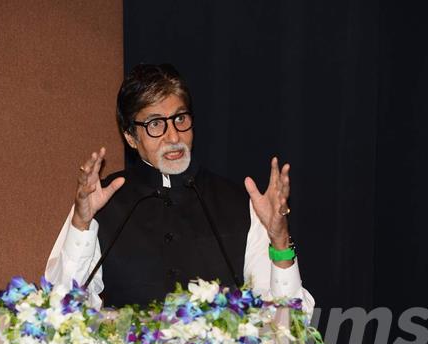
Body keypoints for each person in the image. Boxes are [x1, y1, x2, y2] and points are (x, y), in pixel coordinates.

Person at [46, 64, 314, 312]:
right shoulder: (101, 202)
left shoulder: (239, 203)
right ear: (130, 136)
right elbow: (58, 308)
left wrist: (279, 240)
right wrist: (81, 223)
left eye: (180, 119)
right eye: (155, 124)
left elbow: (287, 321)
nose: (173, 136)